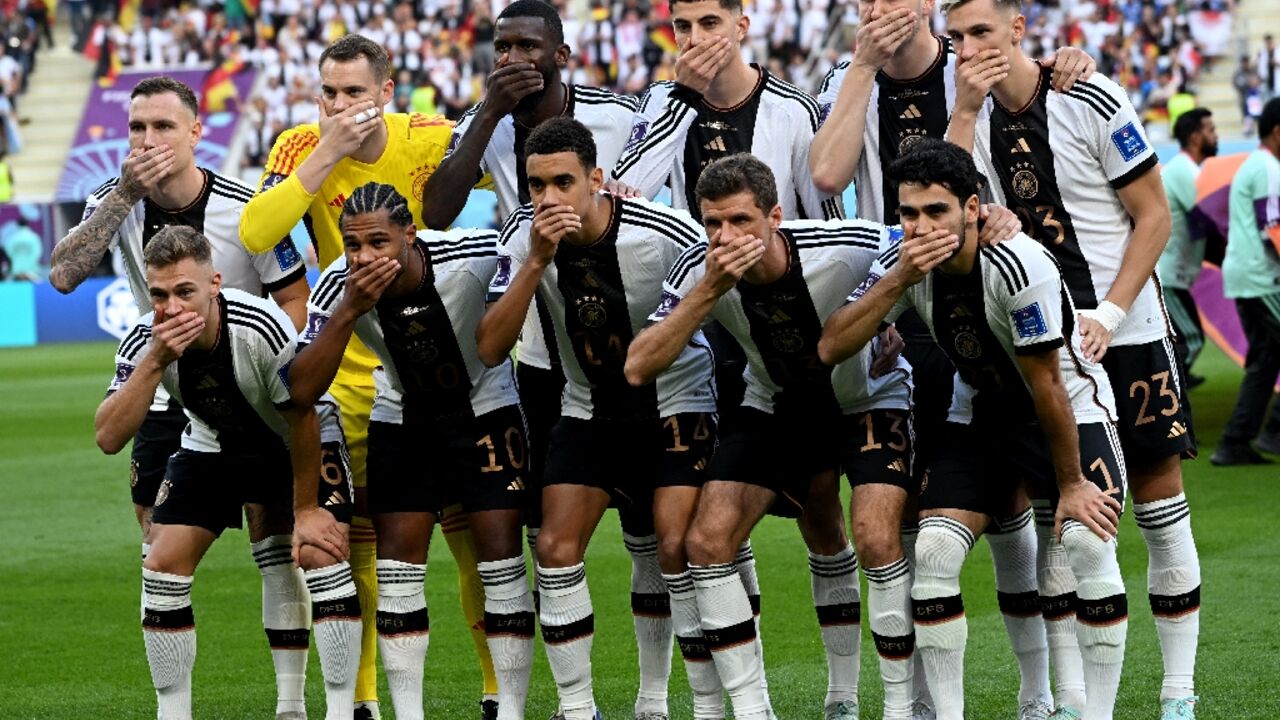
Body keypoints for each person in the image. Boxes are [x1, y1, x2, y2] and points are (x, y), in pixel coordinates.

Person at [811, 10, 1093, 714]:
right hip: (897, 309)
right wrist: (863, 66)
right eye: (866, 3)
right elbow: (824, 173)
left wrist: (1066, 62)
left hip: (974, 290)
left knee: (1006, 508)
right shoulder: (839, 80)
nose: (880, 12)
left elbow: (1026, 109)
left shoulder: (972, 61)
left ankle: (1042, 694)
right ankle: (922, 703)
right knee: (911, 514)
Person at [419, 5, 678, 715]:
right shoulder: (487, 125)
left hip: (630, 343)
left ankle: (653, 697)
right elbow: (437, 212)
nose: (511, 57)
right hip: (539, 347)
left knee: (649, 532)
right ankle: (566, 699)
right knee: (550, 534)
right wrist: (486, 117)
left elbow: (658, 207)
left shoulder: (618, 117)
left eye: (526, 45)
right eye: (501, 46)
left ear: (561, 52)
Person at [943, 0, 1199, 718]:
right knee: (1067, 516)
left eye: (982, 32)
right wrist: (963, 111)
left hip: (1129, 327)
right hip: (1044, 342)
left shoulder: (1088, 93)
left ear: (1020, 28)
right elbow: (949, 202)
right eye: (956, 38)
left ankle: (1178, 691)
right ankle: (1075, 698)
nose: (969, 49)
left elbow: (1154, 215)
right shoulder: (964, 114)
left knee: (1157, 501)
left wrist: (1112, 314)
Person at [239, 35, 497, 720]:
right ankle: (362, 705)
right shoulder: (299, 146)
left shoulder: (430, 135)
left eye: (354, 92)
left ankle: (498, 694)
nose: (339, 105)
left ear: (386, 92)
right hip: (349, 373)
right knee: (354, 550)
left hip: (441, 370)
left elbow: (513, 173)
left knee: (470, 538)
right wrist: (325, 152)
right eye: (328, 92)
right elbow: (259, 233)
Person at [48, 76, 315, 720]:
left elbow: (297, 305)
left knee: (274, 539)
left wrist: (278, 379)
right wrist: (127, 194)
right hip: (168, 387)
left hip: (252, 389)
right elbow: (63, 275)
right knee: (157, 543)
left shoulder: (246, 205)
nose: (148, 140)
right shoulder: (115, 203)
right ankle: (174, 705)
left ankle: (290, 705)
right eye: (137, 128)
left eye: (163, 127)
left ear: (197, 133)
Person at [623, 153, 915, 720]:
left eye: (740, 221)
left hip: (864, 399)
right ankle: (754, 712)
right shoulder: (699, 268)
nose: (725, 236)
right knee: (705, 544)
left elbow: (925, 236)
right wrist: (709, 289)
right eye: (712, 223)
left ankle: (869, 702)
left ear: (775, 216)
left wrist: (994, 219)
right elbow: (638, 365)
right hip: (774, 401)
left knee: (867, 537)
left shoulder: (847, 246)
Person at [477, 117, 717, 720]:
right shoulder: (518, 238)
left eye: (563, 182)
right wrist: (535, 260)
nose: (549, 198)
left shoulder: (662, 233)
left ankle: (661, 701)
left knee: (669, 545)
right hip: (587, 406)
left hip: (673, 402)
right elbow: (488, 347)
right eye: (536, 186)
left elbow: (727, 286)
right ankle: (578, 709)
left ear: (597, 180)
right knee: (555, 546)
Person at [92, 226, 360, 720]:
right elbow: (108, 437)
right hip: (213, 443)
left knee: (317, 553)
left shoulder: (260, 324)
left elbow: (301, 412)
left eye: (185, 292)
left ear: (214, 284)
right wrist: (156, 360)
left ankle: (319, 710)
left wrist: (305, 509)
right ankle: (173, 715)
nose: (172, 307)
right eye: (159, 294)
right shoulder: (143, 340)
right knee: (161, 566)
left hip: (292, 438)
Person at [289, 182, 535, 720]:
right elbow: (301, 390)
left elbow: (504, 328)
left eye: (378, 242)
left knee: (502, 559)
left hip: (484, 407)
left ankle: (511, 710)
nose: (364, 257)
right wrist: (350, 309)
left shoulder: (472, 256)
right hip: (402, 415)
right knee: (399, 570)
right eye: (353, 245)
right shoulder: (338, 285)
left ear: (409, 233)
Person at [1215, 97, 1280, 464]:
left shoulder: (1257, 165)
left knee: (1265, 361)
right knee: (1265, 359)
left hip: (1245, 274)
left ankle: (1235, 441)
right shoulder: (1269, 169)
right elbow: (1271, 226)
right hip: (1262, 277)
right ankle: (1272, 432)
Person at [1159, 108, 1218, 384]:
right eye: (1210, 130)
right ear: (1195, 137)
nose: (1215, 136)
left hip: (1175, 274)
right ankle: (1173, 399)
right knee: (1191, 338)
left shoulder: (1188, 170)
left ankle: (1174, 396)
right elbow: (1210, 218)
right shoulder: (1184, 171)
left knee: (1185, 338)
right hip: (1169, 275)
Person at [3, 215, 42, 280]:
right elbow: (38, 252)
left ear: (18, 225)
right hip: (32, 270)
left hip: (17, 269)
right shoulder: (34, 237)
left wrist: (15, 258)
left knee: (18, 289)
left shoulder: (13, 238)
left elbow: (8, 250)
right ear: (28, 225)